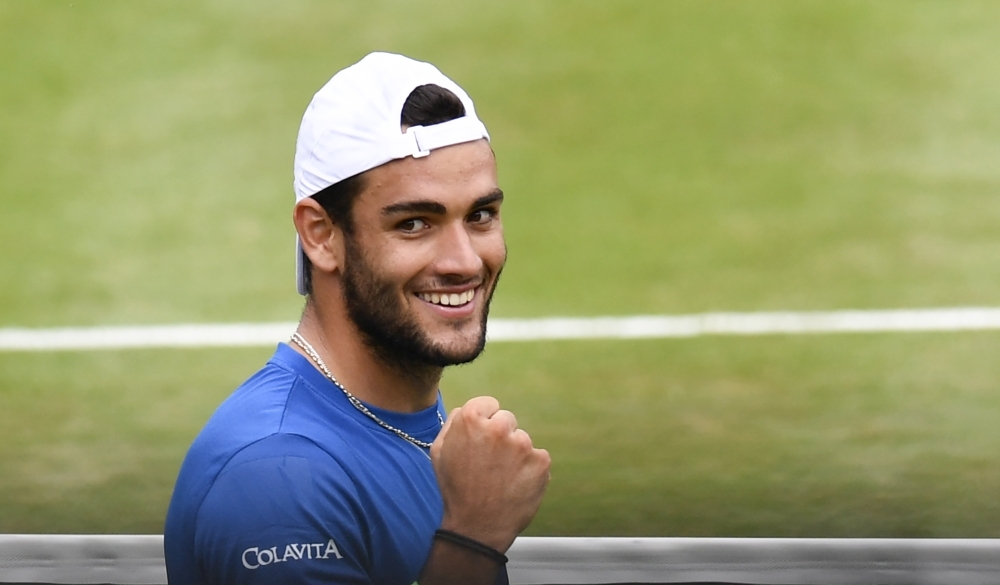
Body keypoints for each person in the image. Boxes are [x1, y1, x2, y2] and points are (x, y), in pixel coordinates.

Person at [163, 52, 550, 584]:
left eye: (480, 216)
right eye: (415, 223)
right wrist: (472, 538)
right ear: (321, 235)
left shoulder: (413, 427)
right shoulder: (276, 480)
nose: (464, 261)